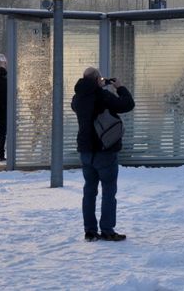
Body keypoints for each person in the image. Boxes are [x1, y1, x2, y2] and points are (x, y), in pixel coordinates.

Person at [71, 67, 135, 242]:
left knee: (89, 191)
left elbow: (83, 101)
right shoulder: (103, 97)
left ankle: (90, 231)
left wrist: (97, 86)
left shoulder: (77, 99)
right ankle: (107, 230)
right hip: (104, 150)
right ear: (98, 79)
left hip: (85, 152)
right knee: (108, 191)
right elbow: (127, 104)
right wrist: (119, 87)